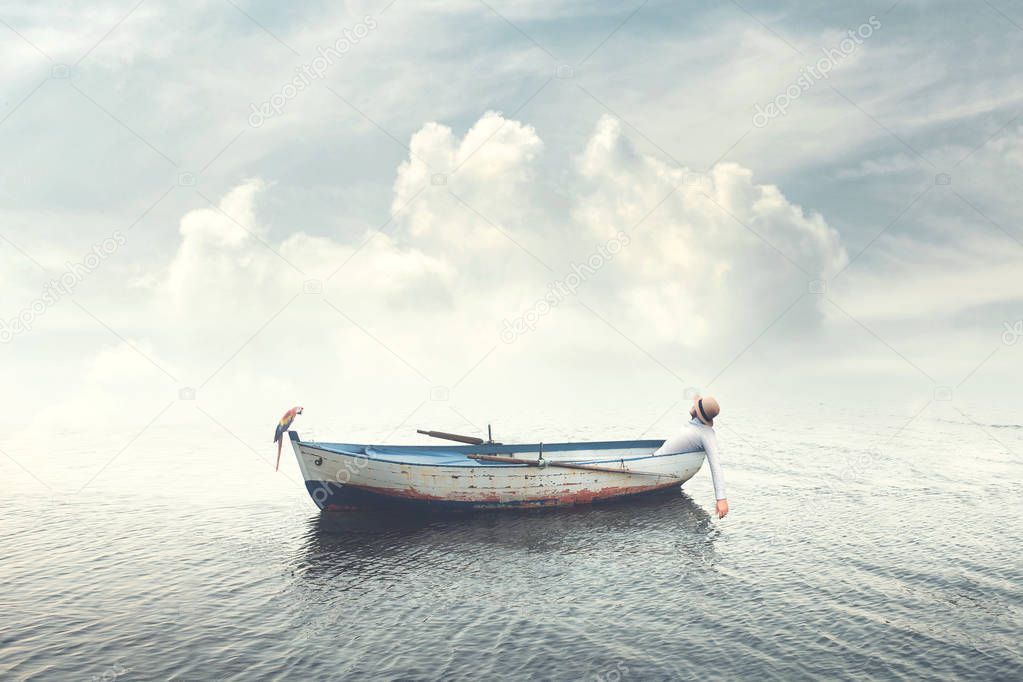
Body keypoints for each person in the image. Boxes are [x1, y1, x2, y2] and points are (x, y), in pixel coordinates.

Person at [654, 394, 729, 518]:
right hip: (656, 458)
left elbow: (716, 465)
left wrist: (721, 499)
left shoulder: (706, 434)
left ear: (697, 412)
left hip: (658, 465)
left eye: (695, 405)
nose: (693, 405)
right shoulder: (694, 424)